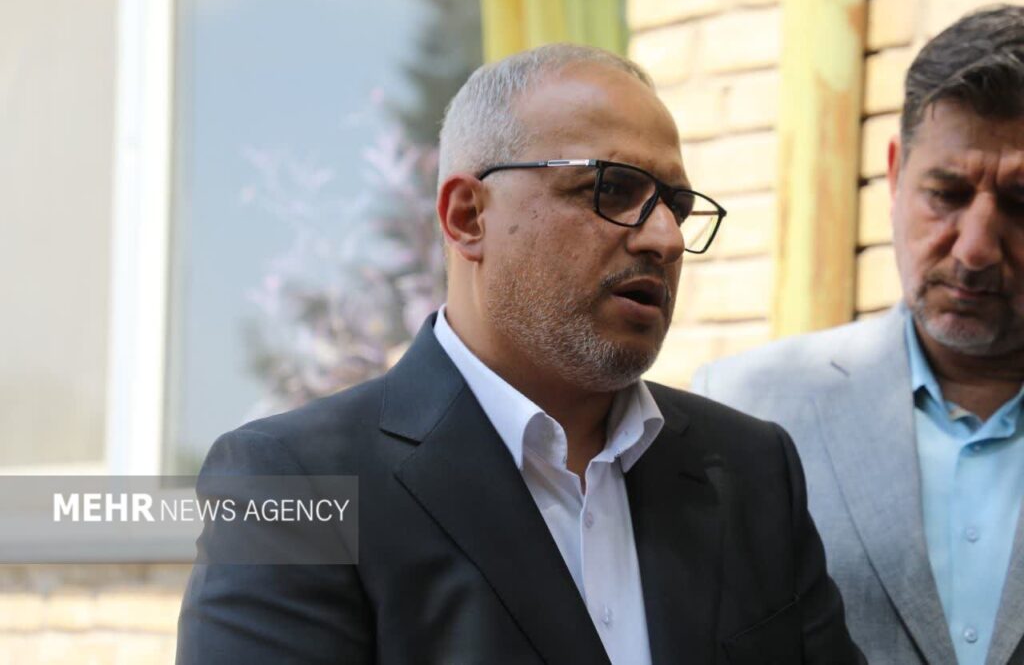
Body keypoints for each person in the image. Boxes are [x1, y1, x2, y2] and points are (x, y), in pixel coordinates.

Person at [177, 43, 862, 664]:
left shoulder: (750, 469)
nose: (666, 238)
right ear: (468, 216)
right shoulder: (294, 484)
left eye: (676, 206)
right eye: (613, 189)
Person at [693, 5, 1024, 665]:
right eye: (947, 193)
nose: (975, 249)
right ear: (895, 174)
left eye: (1022, 204)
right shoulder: (743, 408)